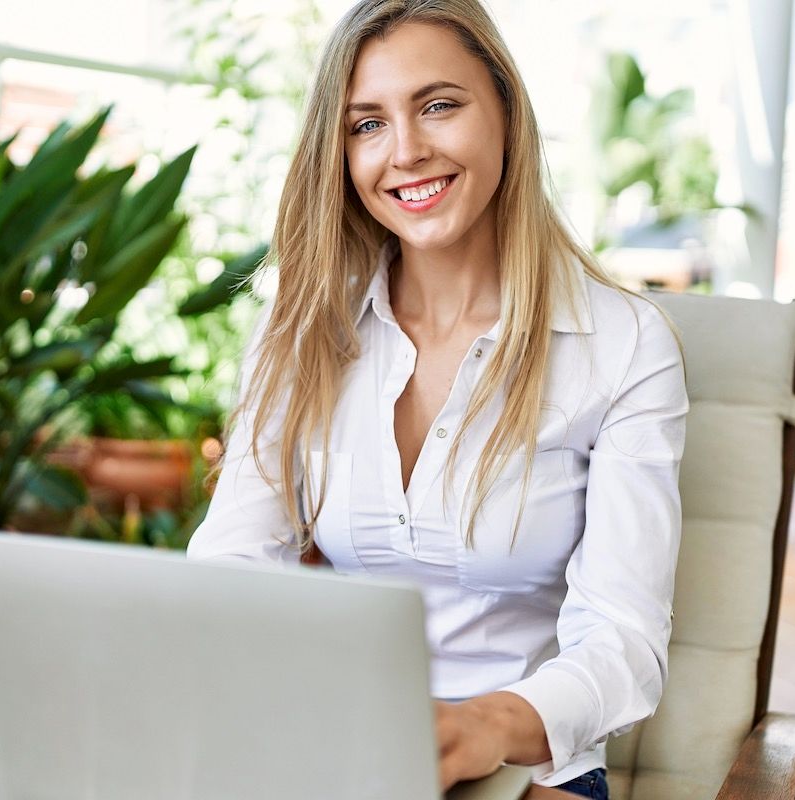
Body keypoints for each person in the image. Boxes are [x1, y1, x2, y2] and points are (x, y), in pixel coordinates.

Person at [185, 2, 689, 797]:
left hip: (525, 765)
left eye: (439, 105)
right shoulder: (302, 327)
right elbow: (231, 562)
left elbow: (622, 642)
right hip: (331, 742)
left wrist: (480, 727)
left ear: (506, 114)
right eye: (366, 124)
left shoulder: (625, 345)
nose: (406, 152)